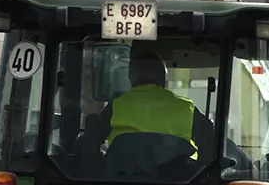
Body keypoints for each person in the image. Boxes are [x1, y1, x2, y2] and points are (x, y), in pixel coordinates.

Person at [82, 49, 215, 163]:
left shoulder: (117, 105)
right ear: (164, 78)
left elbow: (90, 142)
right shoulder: (186, 108)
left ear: (131, 77)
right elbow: (210, 142)